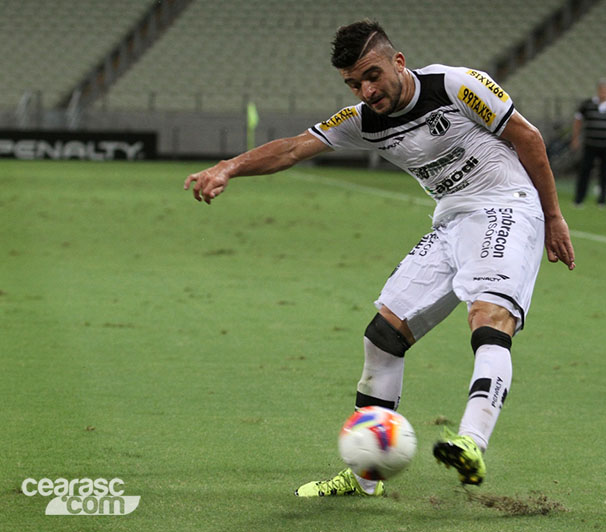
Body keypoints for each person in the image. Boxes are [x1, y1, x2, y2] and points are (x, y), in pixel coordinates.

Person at [184, 20, 575, 497]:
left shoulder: (456, 85)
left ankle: (471, 442)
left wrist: (553, 217)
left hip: (506, 206)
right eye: (354, 83)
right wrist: (228, 167)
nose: (366, 90)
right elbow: (291, 149)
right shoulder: (363, 120)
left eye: (372, 76)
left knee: (488, 316)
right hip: (450, 222)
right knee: (383, 336)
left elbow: (528, 137)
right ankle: (367, 473)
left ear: (398, 62)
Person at [570, 79, 606, 207]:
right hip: (590, 143)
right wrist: (575, 138)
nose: (603, 92)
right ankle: (579, 199)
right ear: (598, 90)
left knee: (605, 172)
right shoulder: (588, 104)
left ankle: (602, 199)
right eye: (601, 90)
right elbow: (578, 120)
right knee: (585, 171)